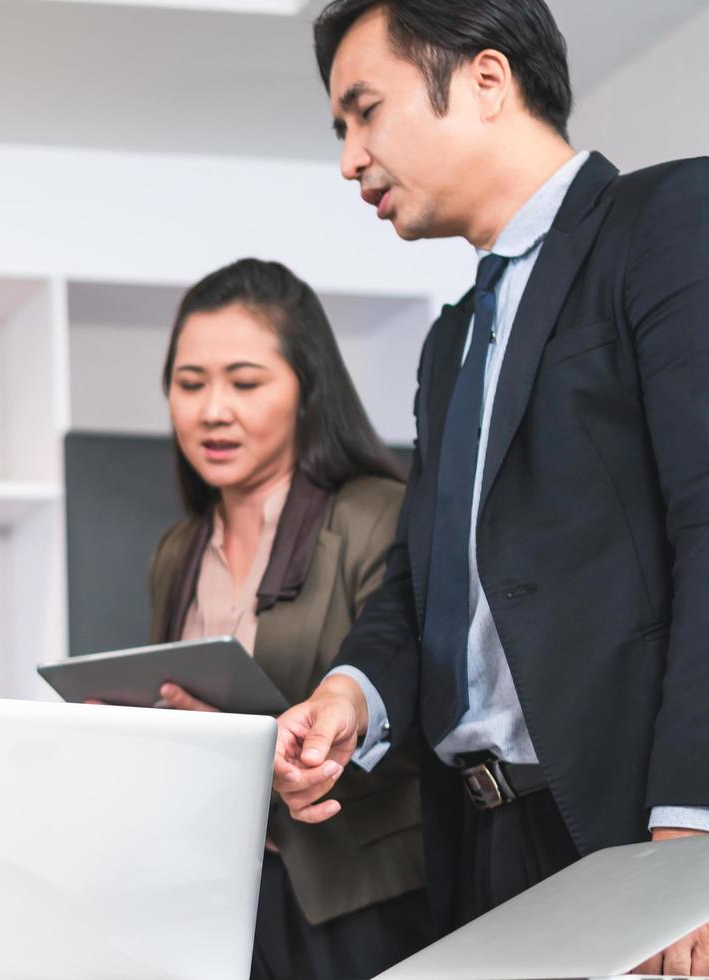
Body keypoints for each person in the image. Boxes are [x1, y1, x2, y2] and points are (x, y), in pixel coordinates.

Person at [272, 0, 709, 973]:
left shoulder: (668, 223)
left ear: (485, 80)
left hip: (626, 829)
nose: (350, 158)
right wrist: (352, 692)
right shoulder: (450, 341)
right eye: (341, 129)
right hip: (477, 846)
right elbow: (421, 588)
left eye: (365, 111)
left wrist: (693, 839)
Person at [146, 259, 432, 979]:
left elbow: (420, 715)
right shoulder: (177, 550)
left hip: (362, 901)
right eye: (190, 384)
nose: (213, 410)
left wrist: (264, 747)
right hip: (222, 896)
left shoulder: (379, 517)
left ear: (307, 390)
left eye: (245, 383)